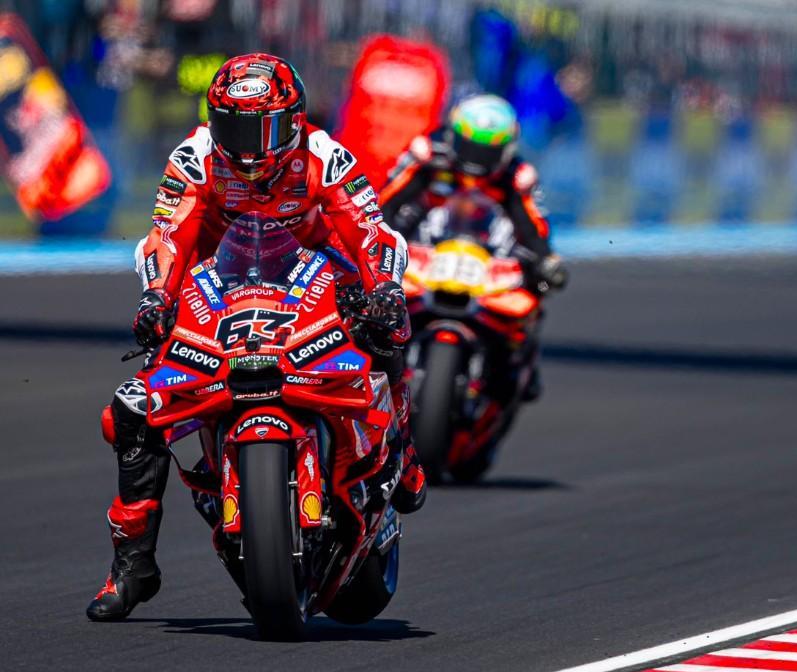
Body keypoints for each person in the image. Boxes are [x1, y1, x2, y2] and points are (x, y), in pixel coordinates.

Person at [87, 54, 426, 622]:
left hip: (316, 278)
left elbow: (372, 230)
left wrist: (384, 288)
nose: (248, 145)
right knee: (132, 409)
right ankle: (133, 566)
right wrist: (155, 299)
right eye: (234, 127)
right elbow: (165, 238)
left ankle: (405, 453)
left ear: (293, 121)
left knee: (388, 332)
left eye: (262, 128)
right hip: (217, 288)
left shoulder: (325, 155)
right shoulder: (194, 158)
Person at [379, 94, 567, 399]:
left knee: (539, 286)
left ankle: (521, 364)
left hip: (488, 259)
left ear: (506, 151)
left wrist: (546, 260)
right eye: (470, 148)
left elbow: (533, 227)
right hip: (424, 252)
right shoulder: (427, 157)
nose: (476, 160)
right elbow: (385, 201)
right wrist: (375, 235)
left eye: (487, 152)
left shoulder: (517, 179)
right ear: (453, 136)